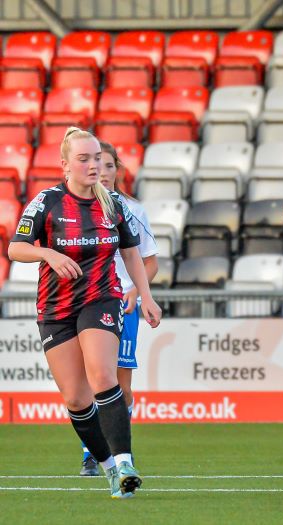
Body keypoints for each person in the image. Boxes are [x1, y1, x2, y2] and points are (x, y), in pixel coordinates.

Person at [8, 127, 162, 498]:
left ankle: (125, 461)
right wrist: (48, 253)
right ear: (65, 165)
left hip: (101, 298)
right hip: (56, 307)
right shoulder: (46, 202)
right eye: (84, 159)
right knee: (76, 399)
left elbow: (130, 253)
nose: (94, 165)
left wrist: (147, 295)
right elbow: (16, 248)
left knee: (103, 374)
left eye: (97, 158)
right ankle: (109, 468)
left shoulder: (114, 203)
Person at [78, 141, 159, 476]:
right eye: (99, 163)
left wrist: (135, 292)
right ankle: (91, 453)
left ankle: (122, 451)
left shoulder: (132, 210)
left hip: (124, 307)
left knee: (120, 385)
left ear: (117, 170)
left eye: (110, 165)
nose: (104, 171)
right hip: (87, 304)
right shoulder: (75, 208)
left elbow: (149, 263)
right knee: (91, 382)